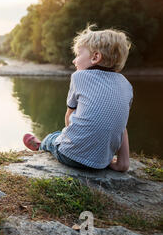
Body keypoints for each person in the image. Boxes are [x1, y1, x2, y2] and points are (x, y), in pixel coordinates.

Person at [23, 25, 133, 172]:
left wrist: (71, 140)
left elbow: (69, 116)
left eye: (78, 55)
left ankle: (40, 145)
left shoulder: (79, 76)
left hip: (71, 156)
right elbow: (121, 125)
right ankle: (123, 162)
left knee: (53, 137)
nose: (74, 61)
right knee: (120, 120)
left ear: (95, 57)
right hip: (101, 161)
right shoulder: (126, 85)